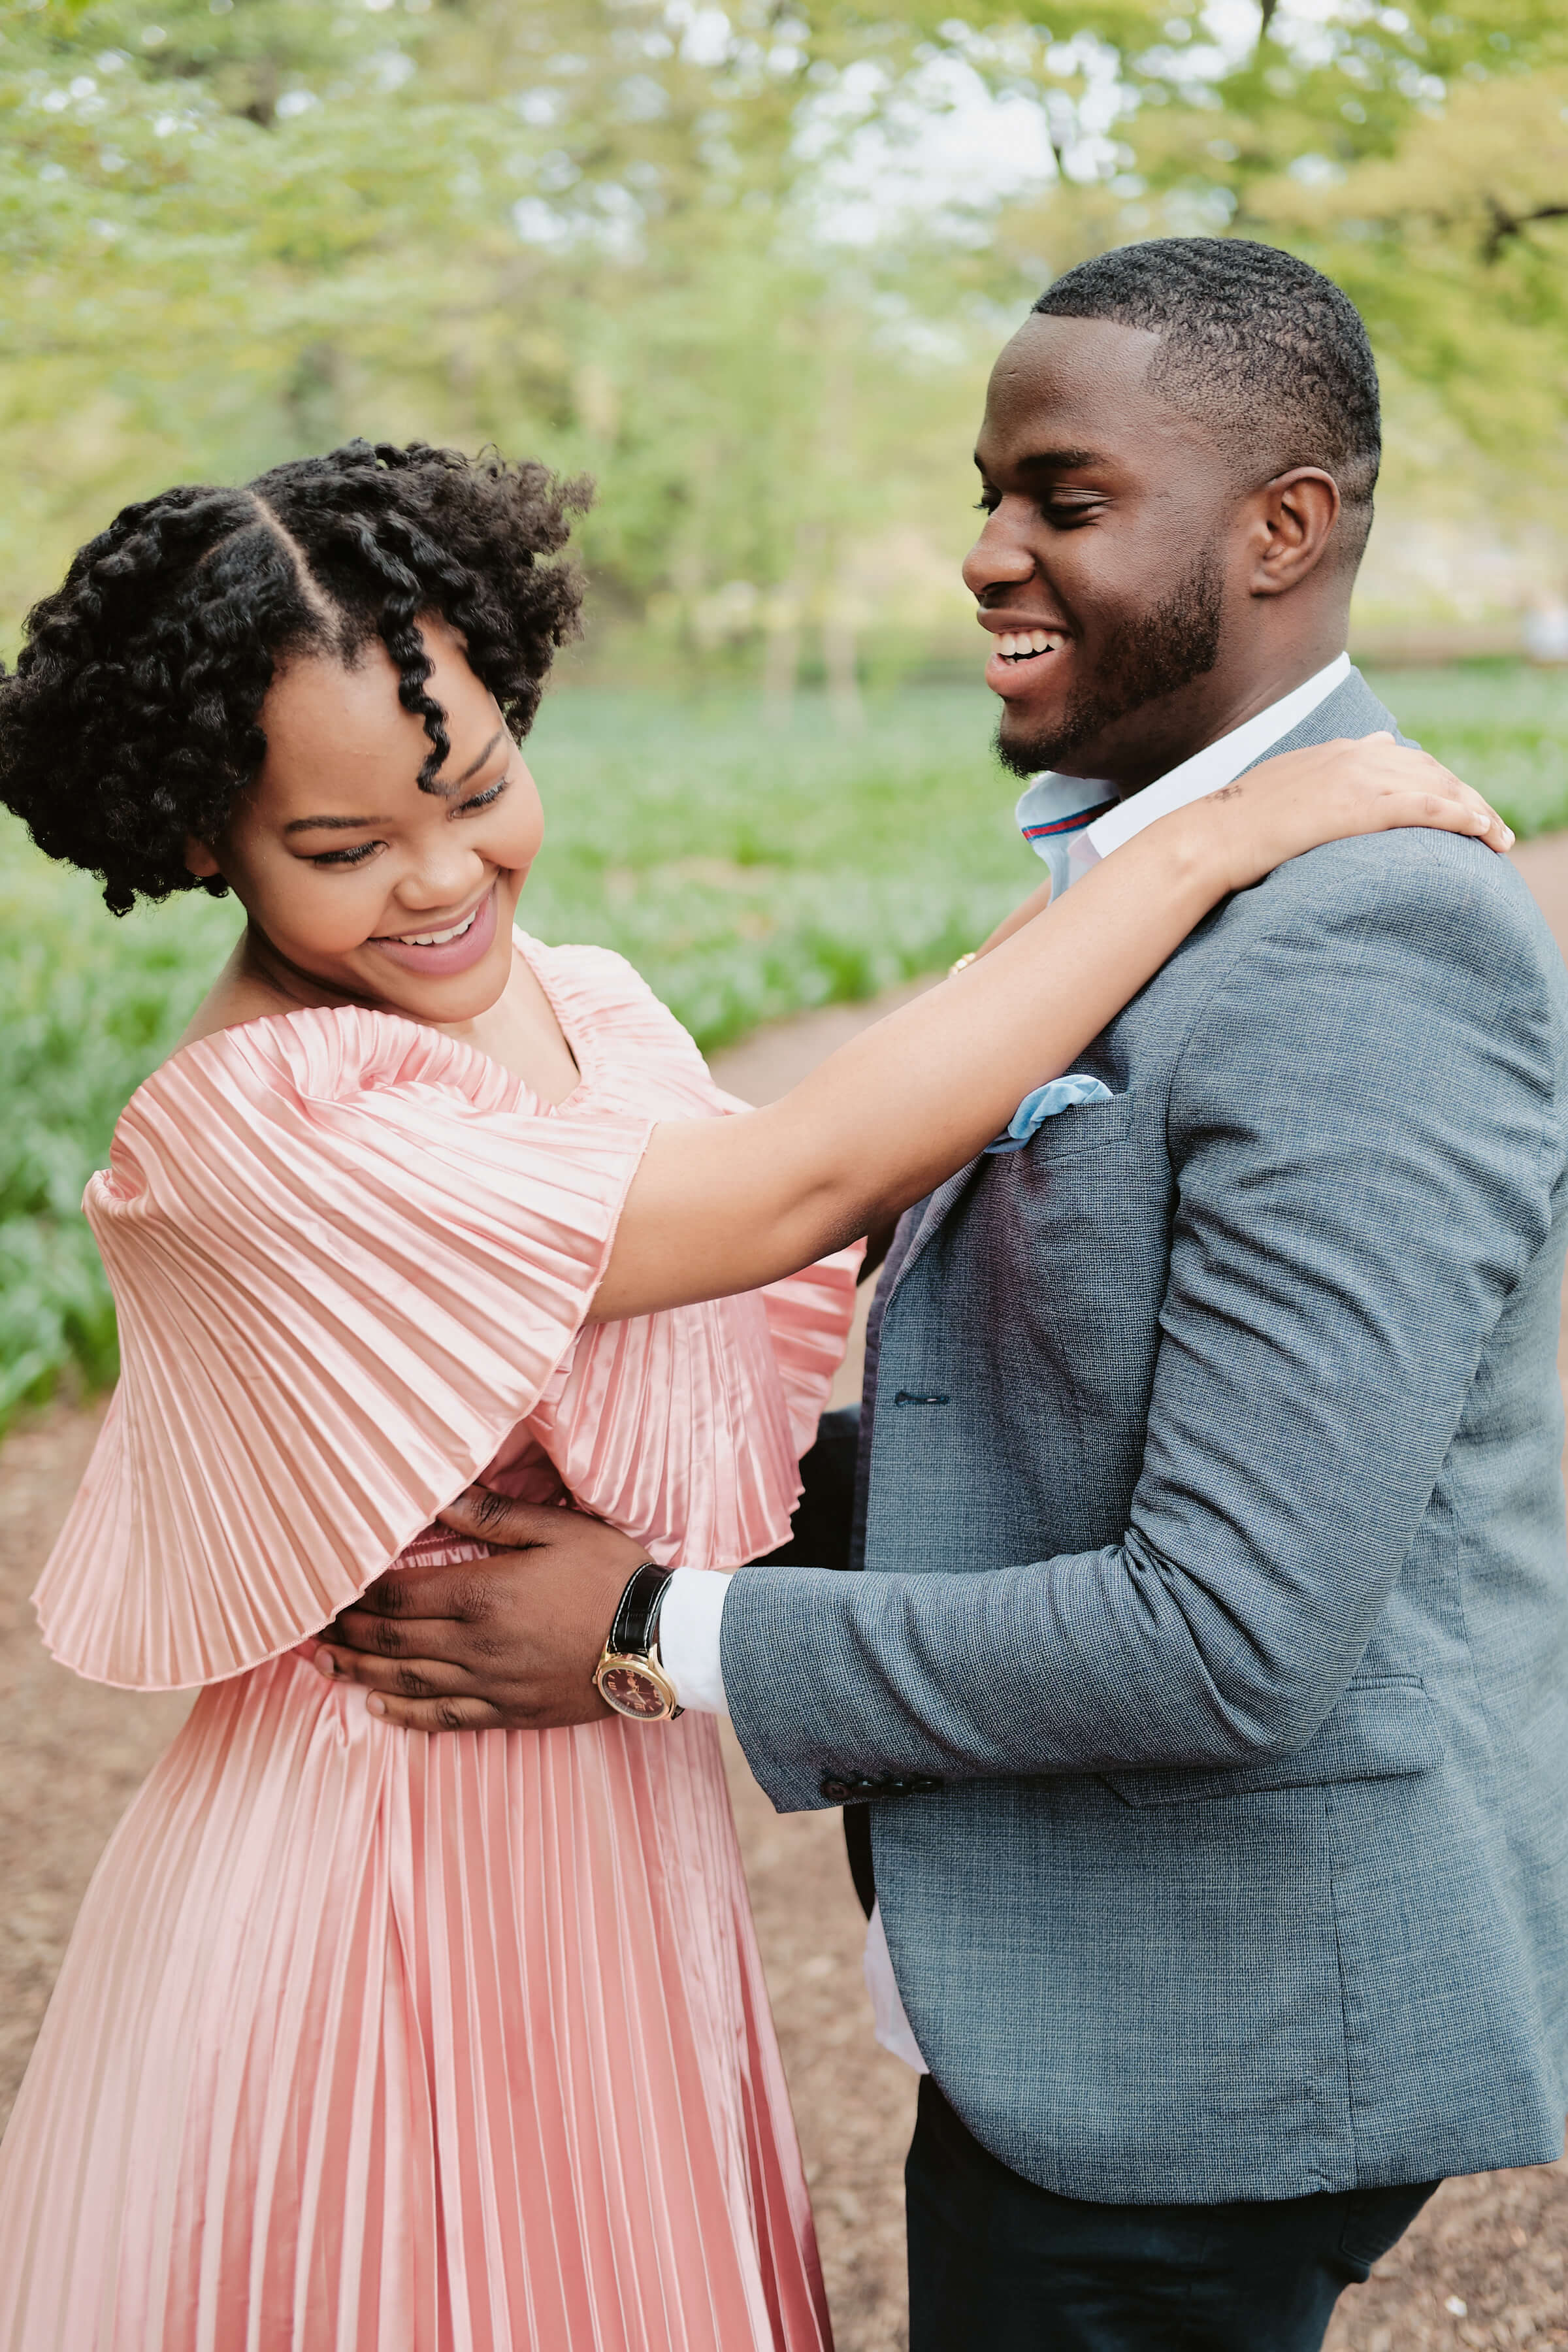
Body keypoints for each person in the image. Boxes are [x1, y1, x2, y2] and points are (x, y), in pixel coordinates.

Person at [318, 243, 1568, 2351]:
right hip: (1095, 1983)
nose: (984, 553)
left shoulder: (1367, 948)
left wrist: (645, 1634)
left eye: (1063, 502)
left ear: (1287, 528)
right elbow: (1053, 1406)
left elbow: (1231, 1631)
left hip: (1212, 2034)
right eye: (987, 490)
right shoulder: (1160, 874)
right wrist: (676, 1489)